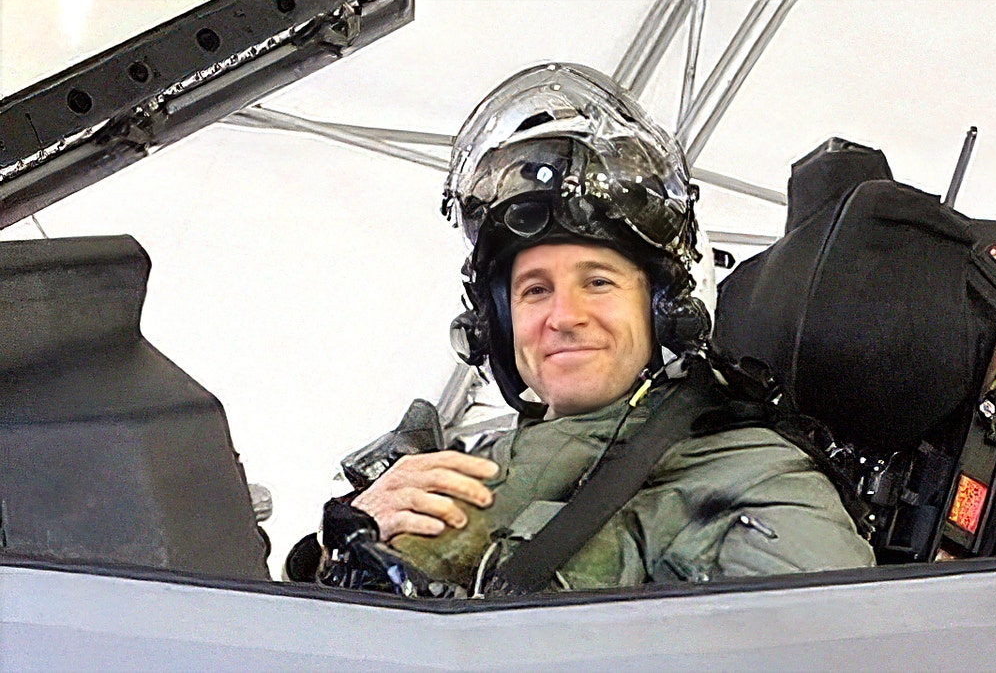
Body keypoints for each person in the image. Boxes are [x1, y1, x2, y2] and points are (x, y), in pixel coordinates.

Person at [347, 63, 874, 593]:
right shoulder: (459, 473)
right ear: (495, 323)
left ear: (665, 307)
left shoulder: (759, 481)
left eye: (598, 282)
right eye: (534, 290)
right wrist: (344, 546)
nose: (564, 316)